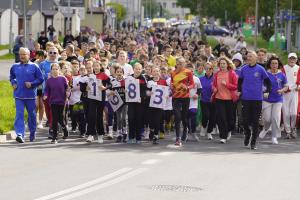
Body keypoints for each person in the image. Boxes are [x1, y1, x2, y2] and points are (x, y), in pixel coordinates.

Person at [238, 51, 271, 149]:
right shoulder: (244, 69)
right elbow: (240, 81)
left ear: (255, 58)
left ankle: (253, 142)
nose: (249, 58)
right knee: (245, 120)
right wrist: (239, 90)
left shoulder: (261, 69)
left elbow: (268, 82)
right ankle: (247, 134)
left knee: (255, 121)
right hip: (246, 98)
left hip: (257, 99)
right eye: (248, 56)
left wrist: (267, 91)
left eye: (251, 56)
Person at [9, 47, 44, 143]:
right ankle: (20, 134)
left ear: (29, 55)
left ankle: (32, 133)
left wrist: (32, 84)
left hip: (31, 96)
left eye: (24, 54)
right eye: (20, 54)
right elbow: (11, 77)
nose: (22, 56)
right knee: (19, 114)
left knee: (32, 116)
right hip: (18, 95)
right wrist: (13, 83)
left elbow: (40, 79)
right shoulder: (15, 66)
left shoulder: (34, 66)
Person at [259, 56, 288, 144]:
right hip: (267, 99)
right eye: (272, 63)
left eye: (276, 63)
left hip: (278, 100)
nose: (274, 65)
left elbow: (286, 86)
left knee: (275, 119)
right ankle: (266, 128)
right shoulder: (266, 74)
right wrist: (264, 90)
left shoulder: (282, 74)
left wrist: (282, 90)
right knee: (267, 119)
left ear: (278, 64)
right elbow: (261, 85)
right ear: (269, 64)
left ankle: (274, 137)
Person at [212, 57, 238, 144]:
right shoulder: (217, 74)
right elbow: (214, 85)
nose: (222, 65)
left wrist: (226, 84)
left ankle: (229, 130)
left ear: (227, 65)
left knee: (230, 119)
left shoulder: (232, 73)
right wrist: (214, 88)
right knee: (221, 118)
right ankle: (223, 136)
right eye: (221, 64)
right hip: (219, 98)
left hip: (230, 99)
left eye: (224, 63)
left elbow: (235, 86)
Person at [171, 57, 194, 146]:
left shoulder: (188, 72)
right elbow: (172, 84)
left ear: (184, 63)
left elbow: (192, 84)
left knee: (184, 117)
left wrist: (187, 87)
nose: (180, 65)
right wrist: (172, 86)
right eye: (178, 63)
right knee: (177, 117)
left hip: (185, 97)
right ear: (176, 64)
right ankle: (178, 138)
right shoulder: (173, 73)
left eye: (181, 63)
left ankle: (185, 129)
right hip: (176, 97)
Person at [44, 63, 69, 144]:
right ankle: (54, 137)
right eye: (53, 69)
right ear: (51, 70)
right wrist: (45, 95)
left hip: (62, 101)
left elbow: (67, 89)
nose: (55, 71)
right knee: (54, 118)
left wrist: (68, 94)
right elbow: (47, 90)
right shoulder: (49, 80)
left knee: (60, 118)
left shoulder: (63, 79)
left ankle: (64, 129)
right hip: (53, 101)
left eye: (56, 69)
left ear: (59, 70)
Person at [281, 53, 300, 139]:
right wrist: (284, 88)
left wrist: (299, 86)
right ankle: (288, 131)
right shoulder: (284, 68)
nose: (292, 60)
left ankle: (293, 128)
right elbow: (281, 79)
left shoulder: (298, 68)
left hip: (295, 93)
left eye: (294, 59)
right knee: (286, 113)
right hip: (285, 93)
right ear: (288, 59)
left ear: (296, 60)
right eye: (290, 58)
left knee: (294, 113)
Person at [200, 62, 216, 140]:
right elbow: (198, 89)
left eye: (209, 68)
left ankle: (209, 132)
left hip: (214, 101)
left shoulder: (215, 78)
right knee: (205, 116)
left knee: (212, 118)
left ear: (212, 69)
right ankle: (203, 126)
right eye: (206, 68)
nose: (208, 70)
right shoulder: (201, 78)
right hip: (204, 100)